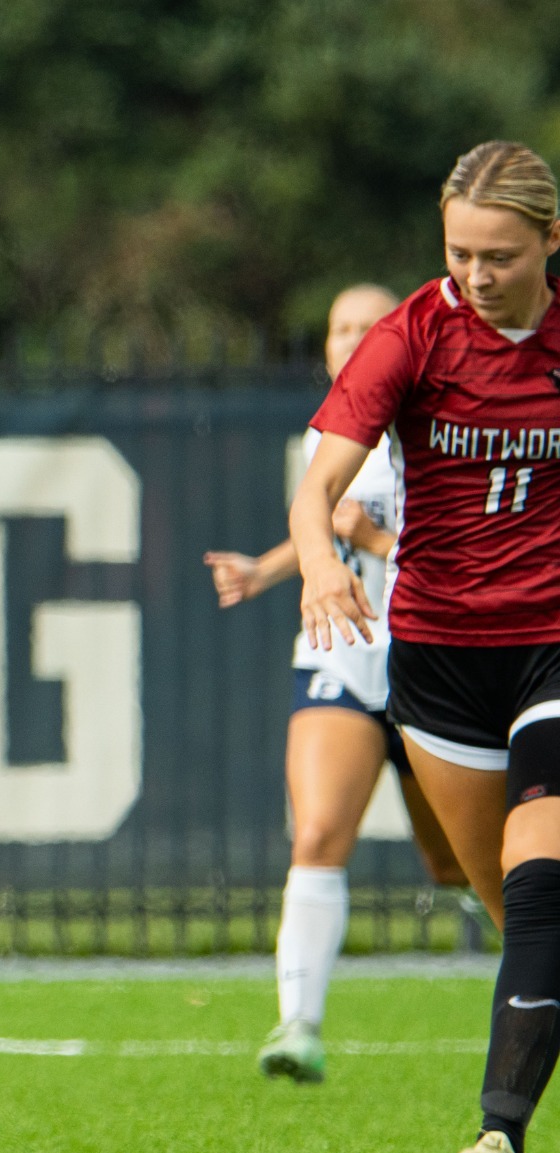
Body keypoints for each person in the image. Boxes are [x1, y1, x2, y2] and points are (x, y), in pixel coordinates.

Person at [294, 140, 560, 1153]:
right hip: (439, 657)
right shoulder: (412, 331)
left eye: (498, 255)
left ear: (548, 241)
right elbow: (319, 483)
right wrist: (317, 561)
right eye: (458, 253)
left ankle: (495, 1135)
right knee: (517, 914)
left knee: (541, 879)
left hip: (550, 639)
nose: (476, 275)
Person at [204, 285, 468, 1085]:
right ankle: (298, 1024)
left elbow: (450, 553)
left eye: (369, 325)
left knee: (461, 864)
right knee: (317, 833)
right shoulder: (331, 432)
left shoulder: (453, 426)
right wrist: (269, 567)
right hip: (342, 661)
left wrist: (377, 538)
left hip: (442, 667)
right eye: (339, 327)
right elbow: (323, 522)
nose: (353, 339)